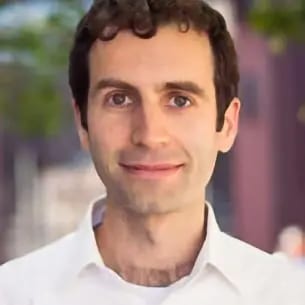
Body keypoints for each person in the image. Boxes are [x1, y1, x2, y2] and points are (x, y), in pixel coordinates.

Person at [0, 0, 304, 304]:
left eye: (180, 100)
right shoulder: (13, 292)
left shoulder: (287, 294)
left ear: (227, 124)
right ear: (82, 124)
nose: (149, 135)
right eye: (119, 99)